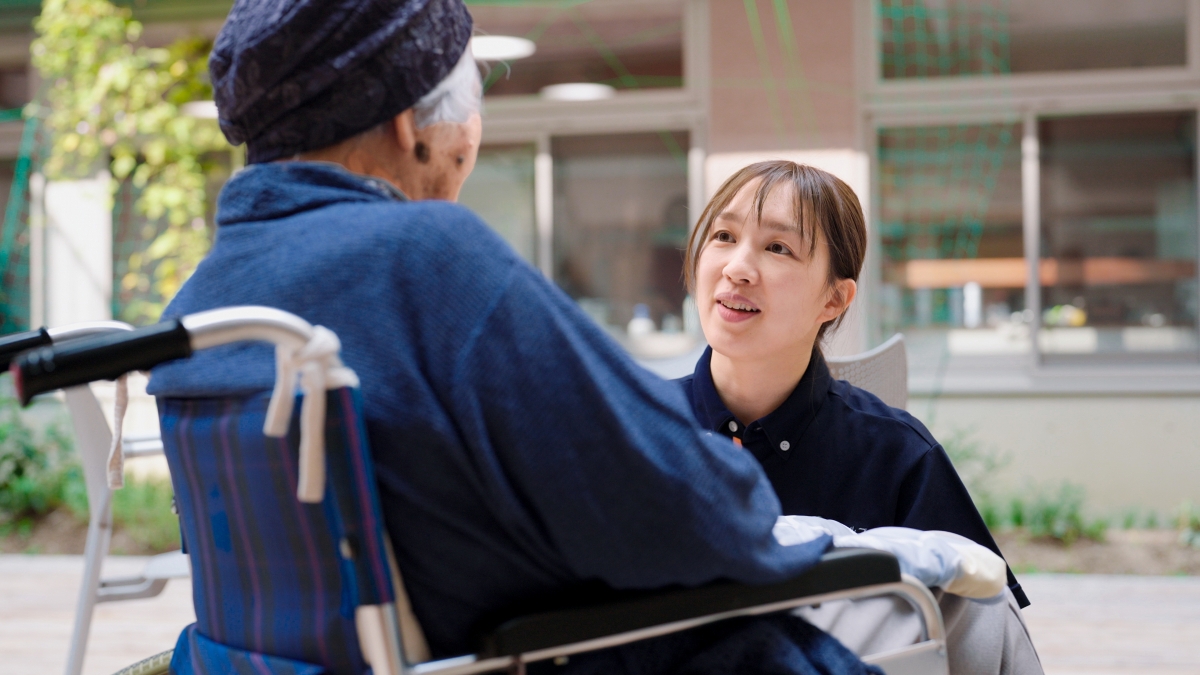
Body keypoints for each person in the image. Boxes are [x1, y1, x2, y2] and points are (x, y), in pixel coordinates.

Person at [147, 1, 883, 674]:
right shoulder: (425, 257)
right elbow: (691, 512)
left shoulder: (202, 303)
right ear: (410, 124)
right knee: (937, 603)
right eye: (471, 108)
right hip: (522, 655)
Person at [676, 160, 1042, 672]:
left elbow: (984, 617)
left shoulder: (897, 453)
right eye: (722, 235)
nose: (737, 267)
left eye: (777, 247)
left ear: (834, 298)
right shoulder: (633, 431)